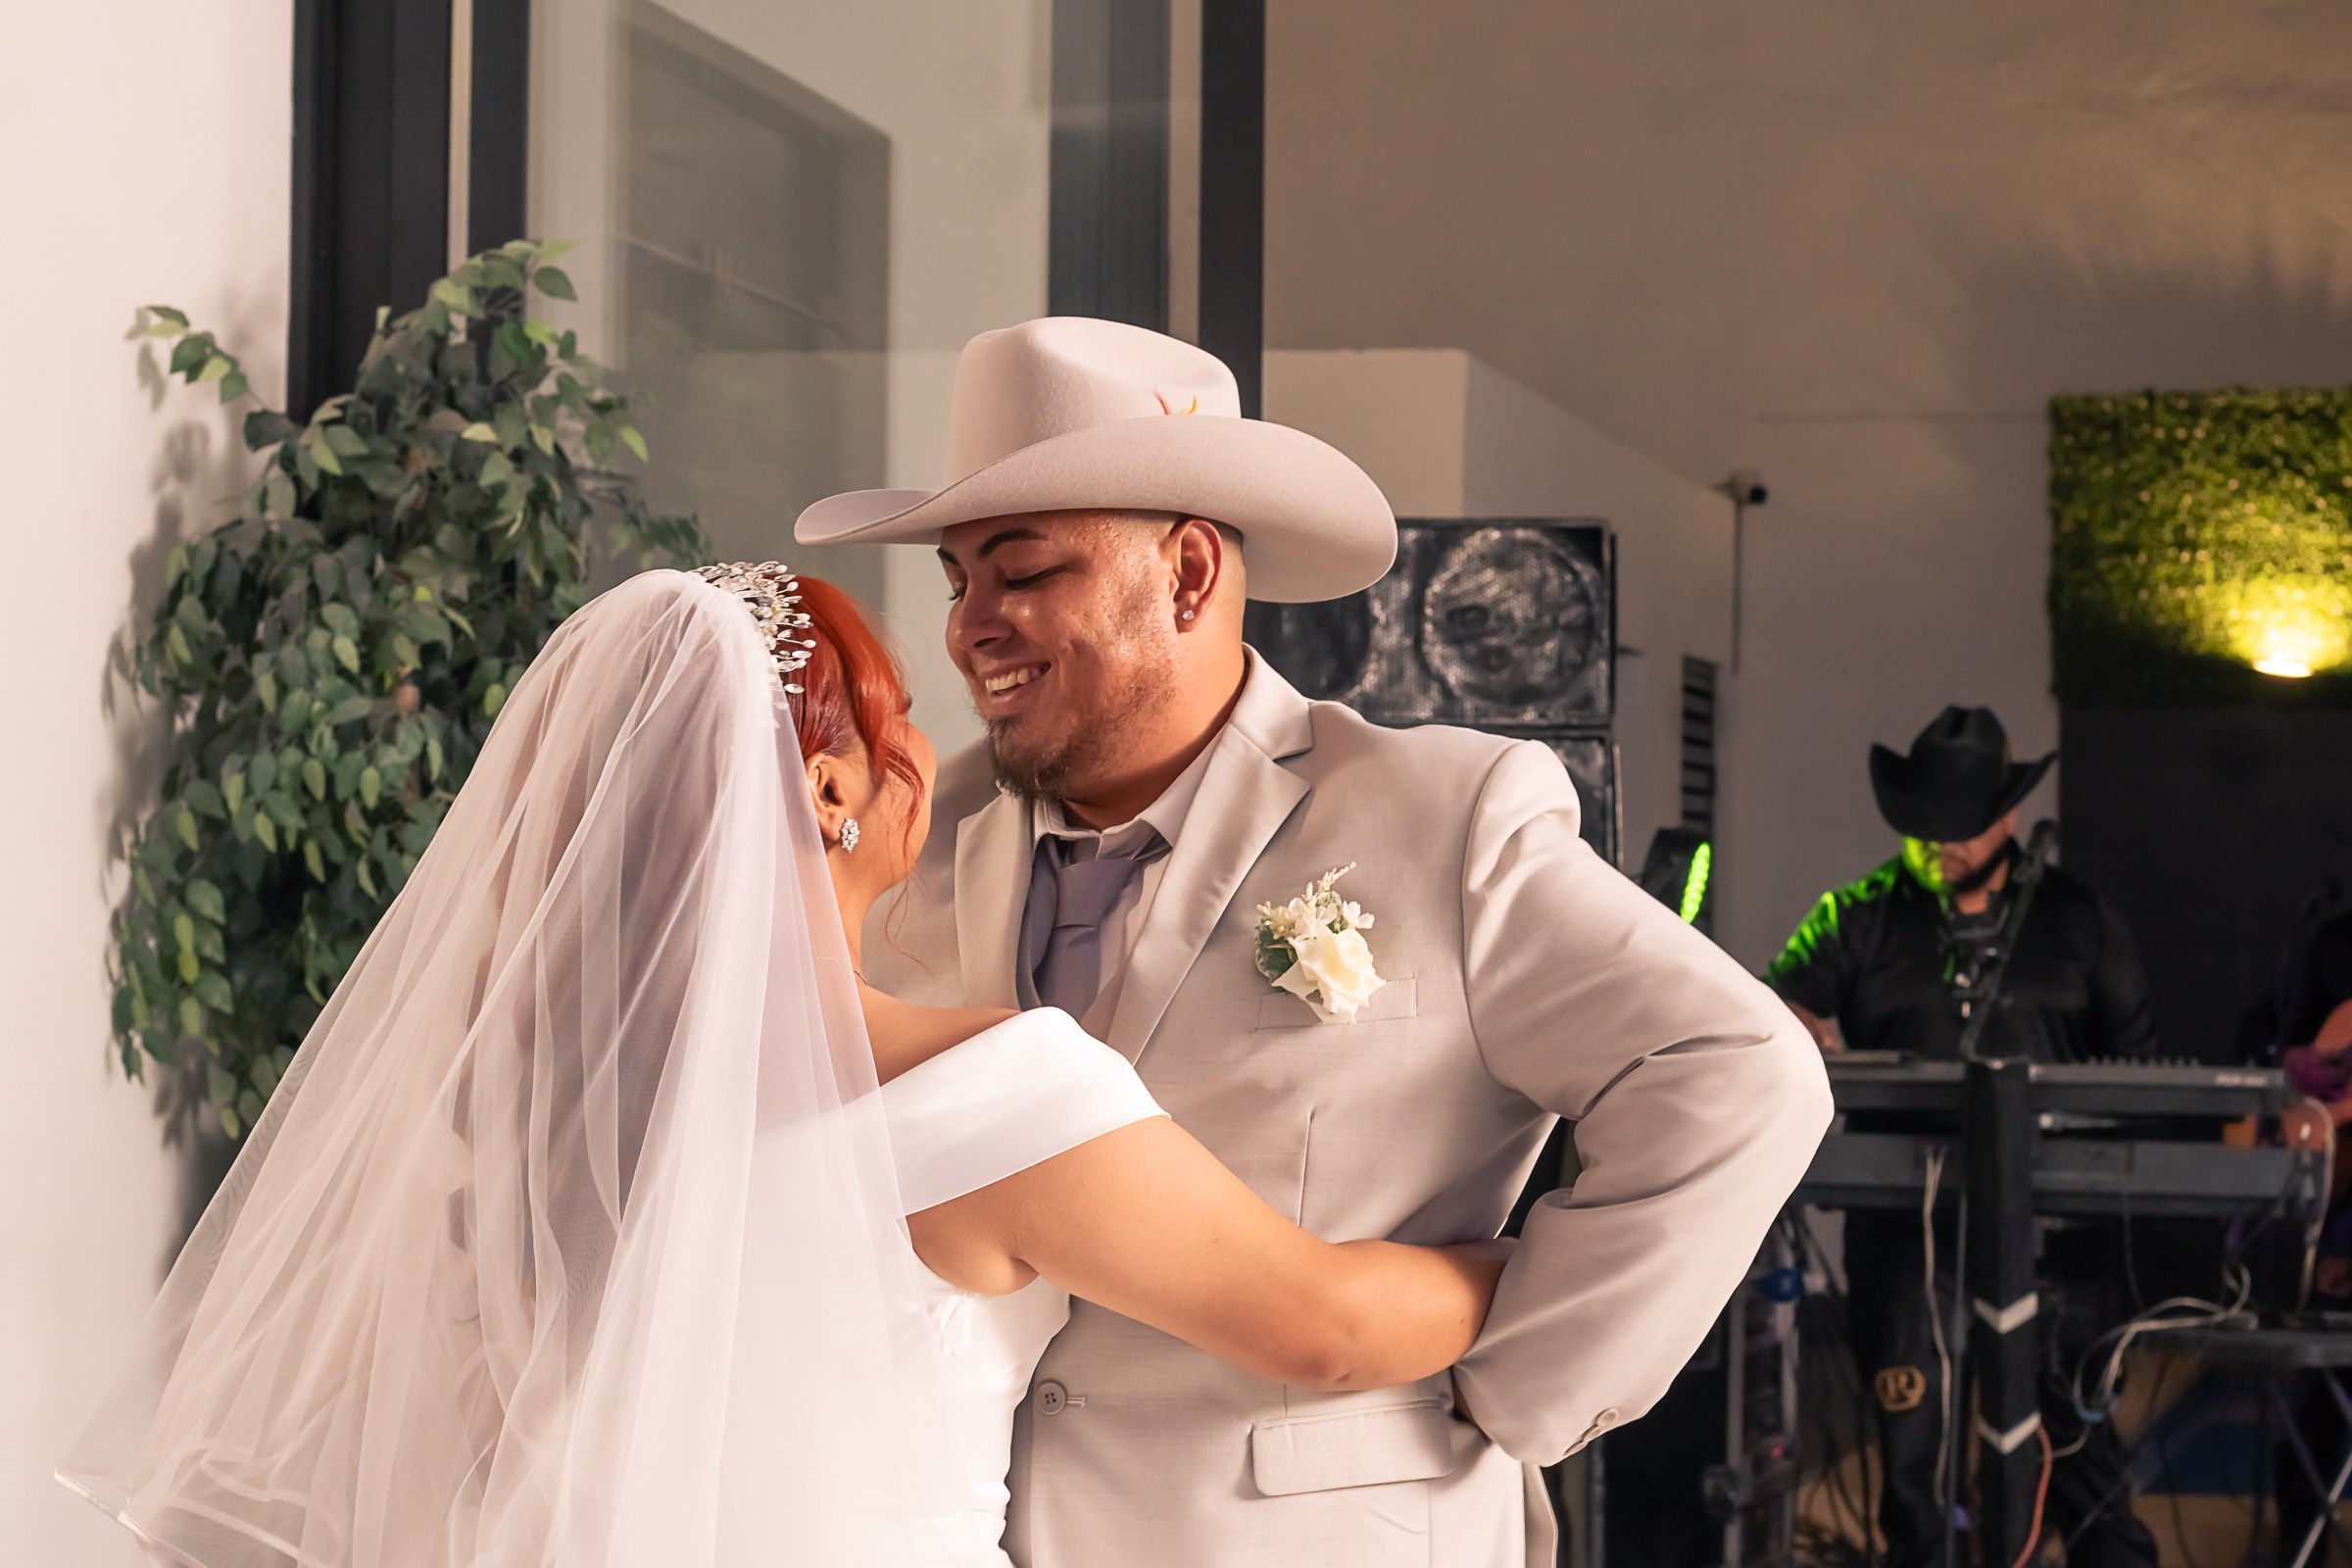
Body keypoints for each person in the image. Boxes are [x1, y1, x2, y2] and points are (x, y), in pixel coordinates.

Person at [59, 564, 1518, 1568]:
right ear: (829, 790)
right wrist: (1554, 1252)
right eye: (898, 722)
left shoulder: (515, 1136)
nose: (929, 750)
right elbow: (1326, 1326)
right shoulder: (996, 1104)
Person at [795, 316, 1834, 1566]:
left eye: (1022, 573)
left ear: (1187, 574)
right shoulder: (904, 831)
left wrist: (1518, 1387)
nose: (969, 626)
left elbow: (1738, 1073)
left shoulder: (1443, 815)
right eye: (958, 581)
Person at [1766, 704, 2160, 1568]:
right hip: (1904, 1224)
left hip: (2057, 1228)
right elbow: (1766, 1006)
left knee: (2073, 1449)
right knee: (1914, 1456)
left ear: (2008, 817)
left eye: (1958, 829)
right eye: (1921, 829)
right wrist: (1798, 1026)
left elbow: (2139, 1064)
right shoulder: (1859, 913)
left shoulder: (2077, 918)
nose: (1937, 846)